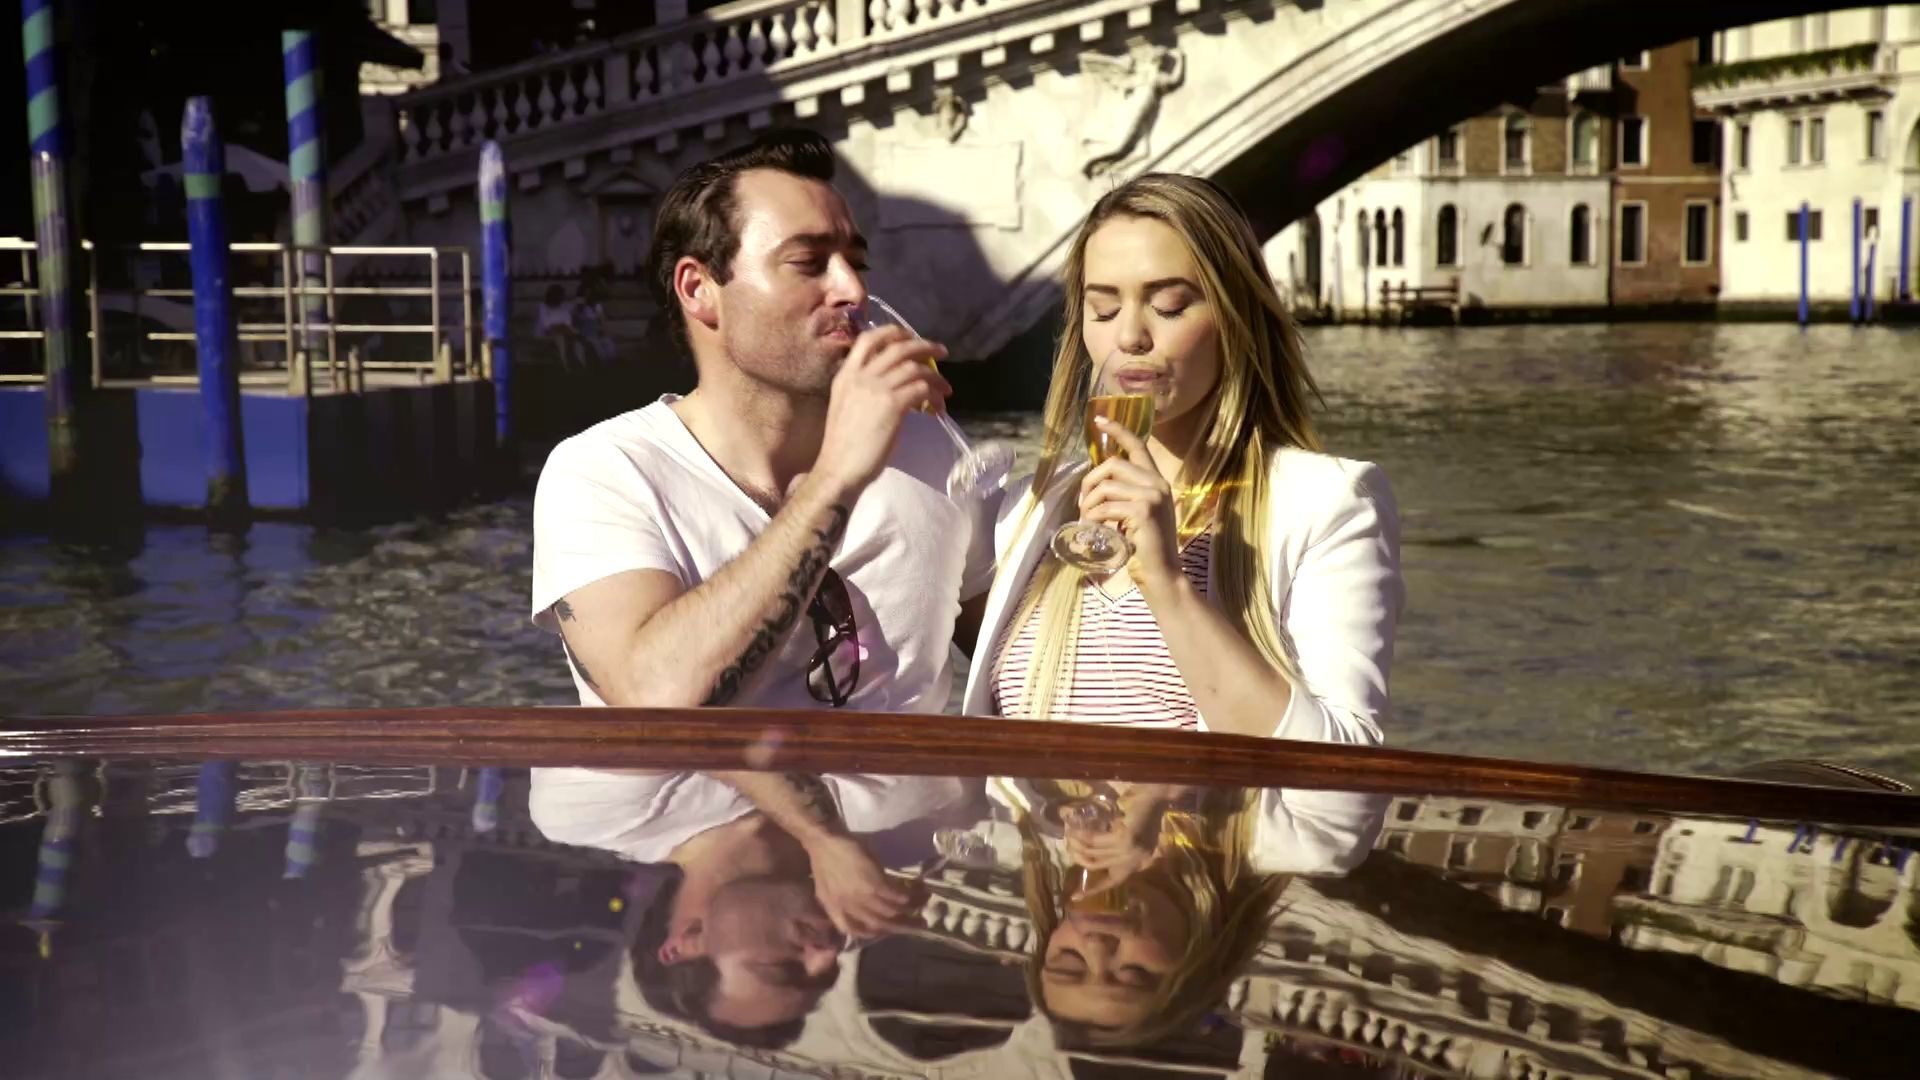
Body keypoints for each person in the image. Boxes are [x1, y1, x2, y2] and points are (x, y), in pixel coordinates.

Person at [530, 127, 998, 714]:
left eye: (856, 263)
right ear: (699, 289)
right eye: (808, 263)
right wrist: (836, 478)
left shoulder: (929, 448)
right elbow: (653, 695)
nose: (852, 289)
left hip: (912, 780)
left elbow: (1024, 669)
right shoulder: (604, 473)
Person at [961, 173, 1403, 742]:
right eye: (1103, 310)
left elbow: (1340, 762)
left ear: (1235, 319)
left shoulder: (1327, 504)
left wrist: (1166, 583)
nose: (1130, 336)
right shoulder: (1033, 510)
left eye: (1169, 306)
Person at [530, 769, 973, 1047]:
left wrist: (821, 836)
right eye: (826, 976)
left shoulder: (594, 816)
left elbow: (676, 703)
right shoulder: (906, 837)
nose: (827, 956)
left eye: (782, 968)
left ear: (685, 943)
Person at [994, 778, 1385, 1046]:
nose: (1096, 946)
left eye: (1067, 961)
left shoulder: (1023, 795)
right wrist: (1162, 785)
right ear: (1197, 961)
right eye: (1132, 973)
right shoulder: (1311, 839)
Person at [537, 282, 583, 370]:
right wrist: (563, 327)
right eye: (560, 296)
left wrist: (581, 294)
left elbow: (578, 307)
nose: (562, 298)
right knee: (560, 338)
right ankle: (565, 367)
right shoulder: (543, 307)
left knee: (576, 342)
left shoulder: (564, 306)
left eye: (562, 296)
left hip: (565, 334)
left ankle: (580, 366)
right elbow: (546, 326)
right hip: (546, 334)